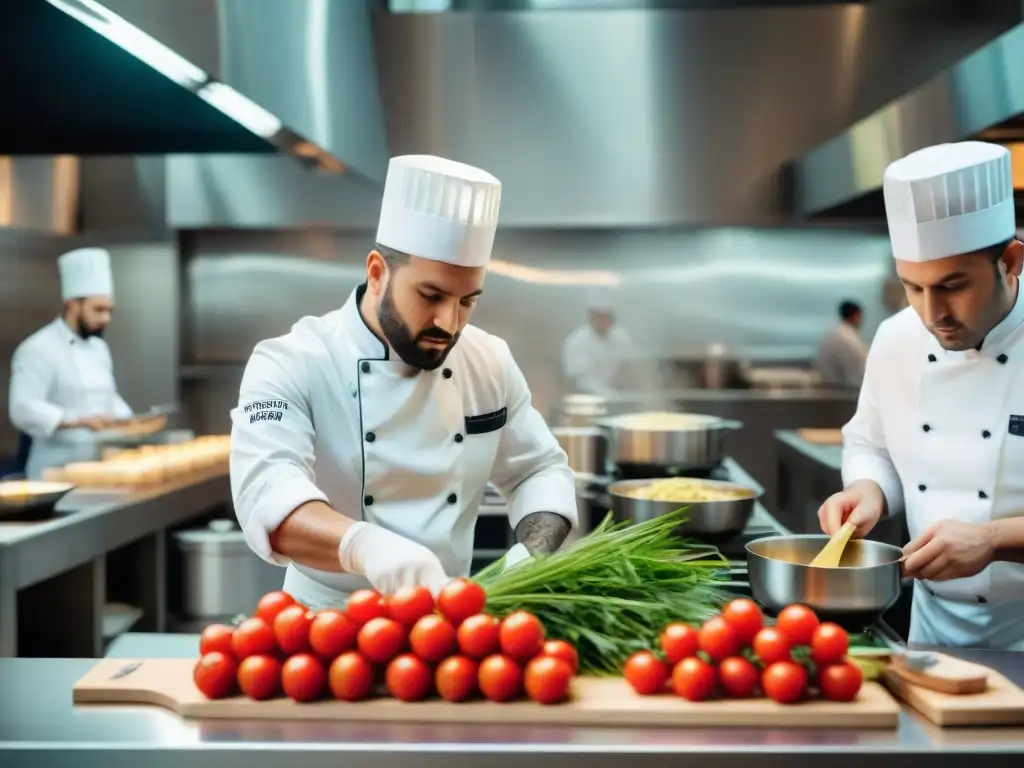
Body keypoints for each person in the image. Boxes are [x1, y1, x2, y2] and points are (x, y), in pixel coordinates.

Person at [229, 155, 578, 608]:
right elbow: (268, 495)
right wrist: (365, 547)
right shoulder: (292, 361)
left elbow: (538, 469)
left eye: (467, 301)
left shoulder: (488, 360)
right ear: (377, 273)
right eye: (430, 295)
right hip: (322, 626)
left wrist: (532, 556)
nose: (449, 323)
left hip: (447, 629)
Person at [818, 141, 1024, 650]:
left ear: (1011, 261)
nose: (933, 313)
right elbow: (870, 445)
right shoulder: (897, 338)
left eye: (954, 285)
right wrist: (868, 490)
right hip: (931, 632)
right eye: (913, 287)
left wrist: (995, 539)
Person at [8, 247, 133, 479]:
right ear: (72, 305)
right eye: (99, 310)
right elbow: (22, 407)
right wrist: (78, 421)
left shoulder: (98, 348)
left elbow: (107, 397)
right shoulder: (38, 349)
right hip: (53, 472)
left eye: (109, 311)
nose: (106, 318)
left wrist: (131, 421)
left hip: (99, 468)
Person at [560, 288, 633, 397]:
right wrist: (607, 395)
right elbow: (580, 380)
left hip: (620, 397)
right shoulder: (577, 341)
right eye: (600, 316)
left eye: (607, 316)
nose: (604, 321)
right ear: (591, 317)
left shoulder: (622, 338)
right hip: (587, 399)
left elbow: (628, 370)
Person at [815, 300, 869, 388]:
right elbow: (861, 368)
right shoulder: (849, 338)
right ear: (855, 316)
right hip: (843, 390)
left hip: (829, 386)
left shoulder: (833, 332)